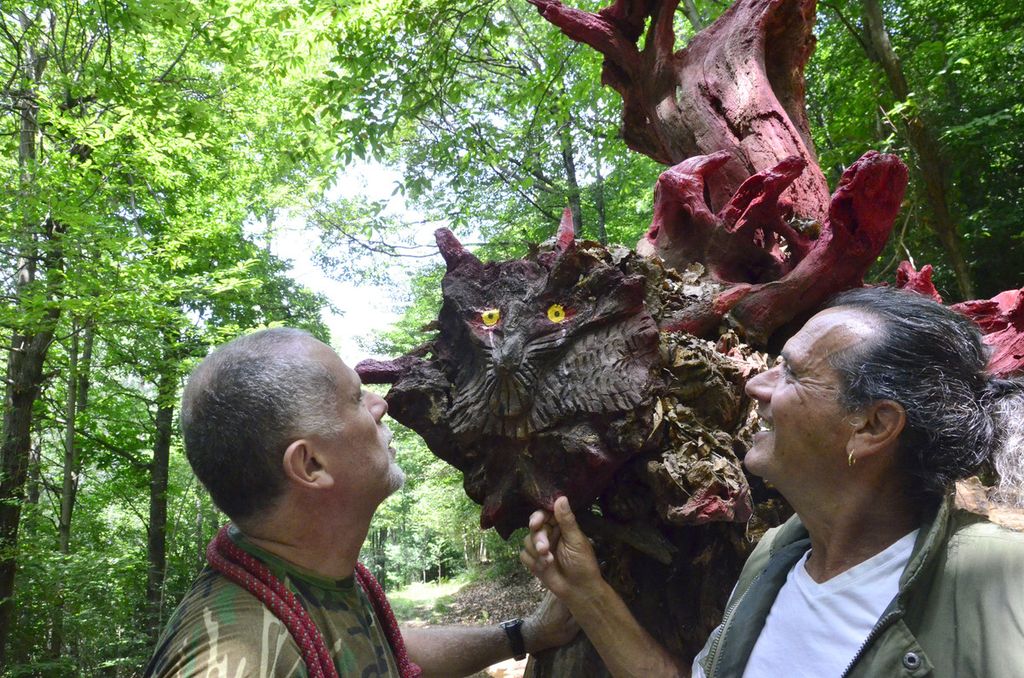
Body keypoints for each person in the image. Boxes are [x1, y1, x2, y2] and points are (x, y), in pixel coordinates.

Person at [521, 286, 1024, 677]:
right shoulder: (774, 556)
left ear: (873, 426)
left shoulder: (997, 577)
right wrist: (585, 592)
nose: (753, 384)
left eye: (791, 373)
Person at [146, 327, 577, 678]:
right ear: (311, 464)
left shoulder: (307, 577)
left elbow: (387, 649)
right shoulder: (238, 660)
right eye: (355, 398)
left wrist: (527, 634)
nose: (381, 405)